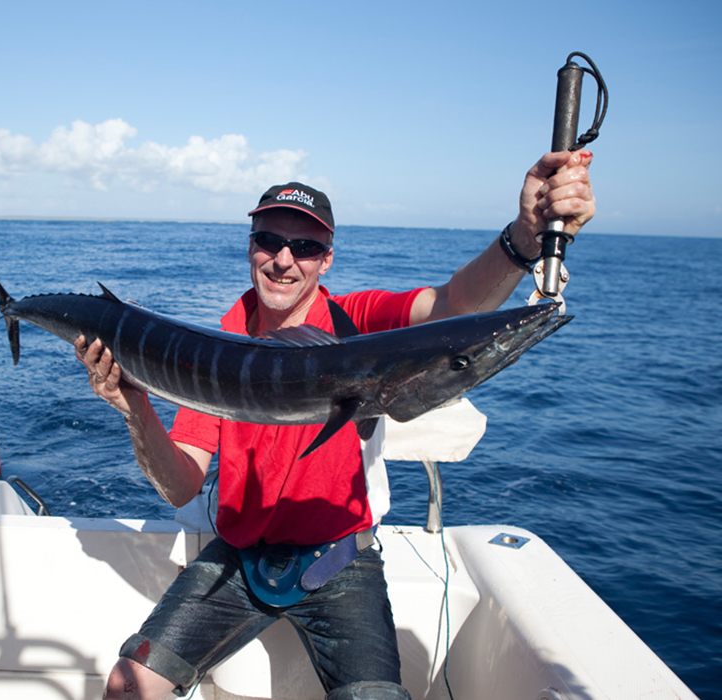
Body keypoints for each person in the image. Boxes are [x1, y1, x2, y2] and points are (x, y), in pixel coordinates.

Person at [75, 150, 596, 700]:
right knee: (127, 685)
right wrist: (134, 405)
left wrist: (524, 236)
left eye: (305, 247)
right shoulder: (211, 357)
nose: (283, 259)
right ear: (250, 247)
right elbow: (181, 484)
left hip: (342, 561)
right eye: (269, 240)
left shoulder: (359, 324)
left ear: (326, 260)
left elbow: (453, 304)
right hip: (238, 559)